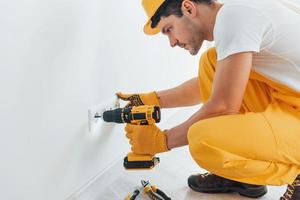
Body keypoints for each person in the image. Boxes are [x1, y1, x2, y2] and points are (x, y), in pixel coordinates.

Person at [117, 0, 300, 199]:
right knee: (211, 62)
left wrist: (162, 141)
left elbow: (223, 105)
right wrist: (154, 99)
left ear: (188, 8)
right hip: (291, 102)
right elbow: (223, 83)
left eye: (169, 29)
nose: (172, 42)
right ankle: (243, 178)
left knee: (202, 140)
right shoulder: (237, 11)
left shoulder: (235, 18)